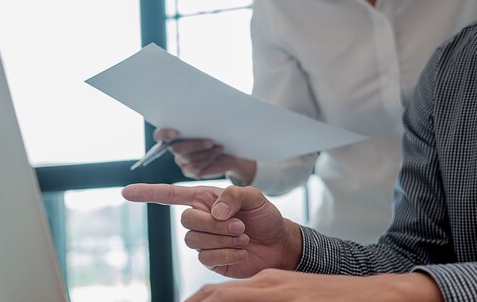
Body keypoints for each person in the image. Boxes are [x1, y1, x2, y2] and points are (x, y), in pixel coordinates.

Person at [122, 22, 477, 302]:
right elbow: (417, 259)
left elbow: (414, 285)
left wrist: (408, 296)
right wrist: (290, 248)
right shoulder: (450, 66)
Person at [156, 0, 477, 244]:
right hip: (357, 242)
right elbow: (287, 156)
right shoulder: (281, 9)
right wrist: (236, 159)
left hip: (467, 239)